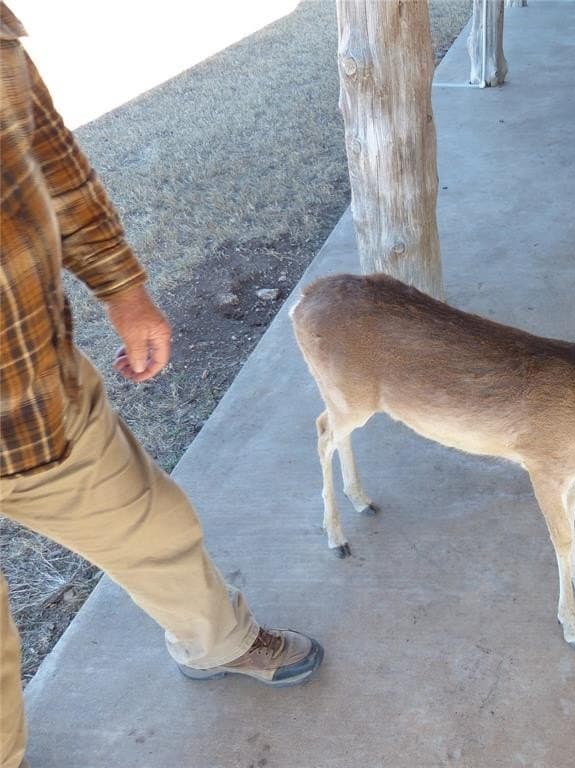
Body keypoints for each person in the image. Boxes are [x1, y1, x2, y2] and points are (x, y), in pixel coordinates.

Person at [0, 5, 323, 766]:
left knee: (156, 529)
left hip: (37, 402)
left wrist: (123, 289)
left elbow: (51, 160)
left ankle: (219, 643)